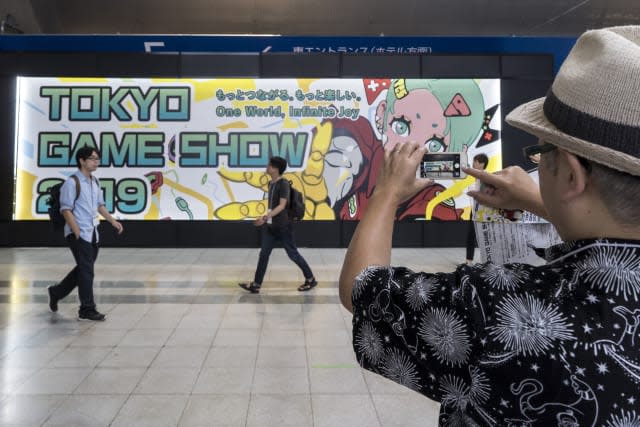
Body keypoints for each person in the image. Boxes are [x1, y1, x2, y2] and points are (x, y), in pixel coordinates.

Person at [339, 26, 640, 425]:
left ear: (571, 174)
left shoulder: (500, 309)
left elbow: (362, 288)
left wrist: (387, 192)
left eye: (541, 152)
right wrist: (539, 201)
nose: (537, 163)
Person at [47, 147, 124, 321]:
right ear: (82, 160)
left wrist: (112, 221)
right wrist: (77, 232)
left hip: (93, 233)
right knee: (87, 271)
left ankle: (56, 292)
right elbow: (65, 209)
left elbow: (100, 205)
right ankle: (86, 309)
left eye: (98, 159)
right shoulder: (72, 182)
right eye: (92, 158)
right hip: (79, 233)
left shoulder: (94, 182)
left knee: (84, 269)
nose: (96, 162)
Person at [239, 156, 317, 293]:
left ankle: (310, 279)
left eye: (269, 165)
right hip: (271, 227)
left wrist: (264, 218)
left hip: (283, 227)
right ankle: (256, 285)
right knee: (264, 254)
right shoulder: (271, 184)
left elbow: (282, 206)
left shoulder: (283, 184)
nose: (267, 167)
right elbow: (273, 206)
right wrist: (266, 219)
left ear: (275, 169)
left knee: (293, 254)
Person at [465, 153, 488, 264]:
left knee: (484, 235)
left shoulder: (487, 177)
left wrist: (474, 193)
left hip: (484, 211)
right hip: (474, 210)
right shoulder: (475, 178)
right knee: (471, 235)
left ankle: (488, 260)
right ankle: (469, 260)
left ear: (482, 164)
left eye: (476, 162)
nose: (473, 164)